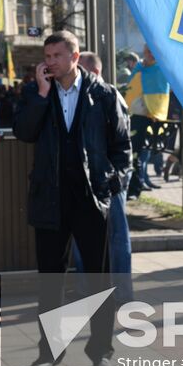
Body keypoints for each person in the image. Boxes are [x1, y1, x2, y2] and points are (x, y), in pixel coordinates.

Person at [14, 31, 130, 366]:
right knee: (50, 280)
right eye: (46, 56)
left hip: (91, 200)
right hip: (50, 200)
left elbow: (122, 145)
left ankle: (101, 352)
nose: (49, 62)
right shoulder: (36, 93)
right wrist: (41, 94)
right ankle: (49, 351)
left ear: (75, 58)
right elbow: (24, 132)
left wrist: (113, 185)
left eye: (56, 56)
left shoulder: (105, 94)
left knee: (98, 278)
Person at [75, 52, 133, 299]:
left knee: (116, 236)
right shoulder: (81, 97)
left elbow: (121, 143)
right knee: (84, 236)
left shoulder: (109, 96)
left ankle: (120, 293)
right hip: (89, 177)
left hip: (108, 179)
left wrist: (116, 178)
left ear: (94, 72)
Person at [124, 46, 170, 197]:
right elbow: (131, 86)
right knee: (135, 154)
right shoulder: (140, 67)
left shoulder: (161, 68)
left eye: (151, 51)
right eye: (146, 51)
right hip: (134, 116)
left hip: (151, 117)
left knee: (142, 155)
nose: (148, 54)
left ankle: (136, 187)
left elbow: (163, 91)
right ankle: (135, 187)